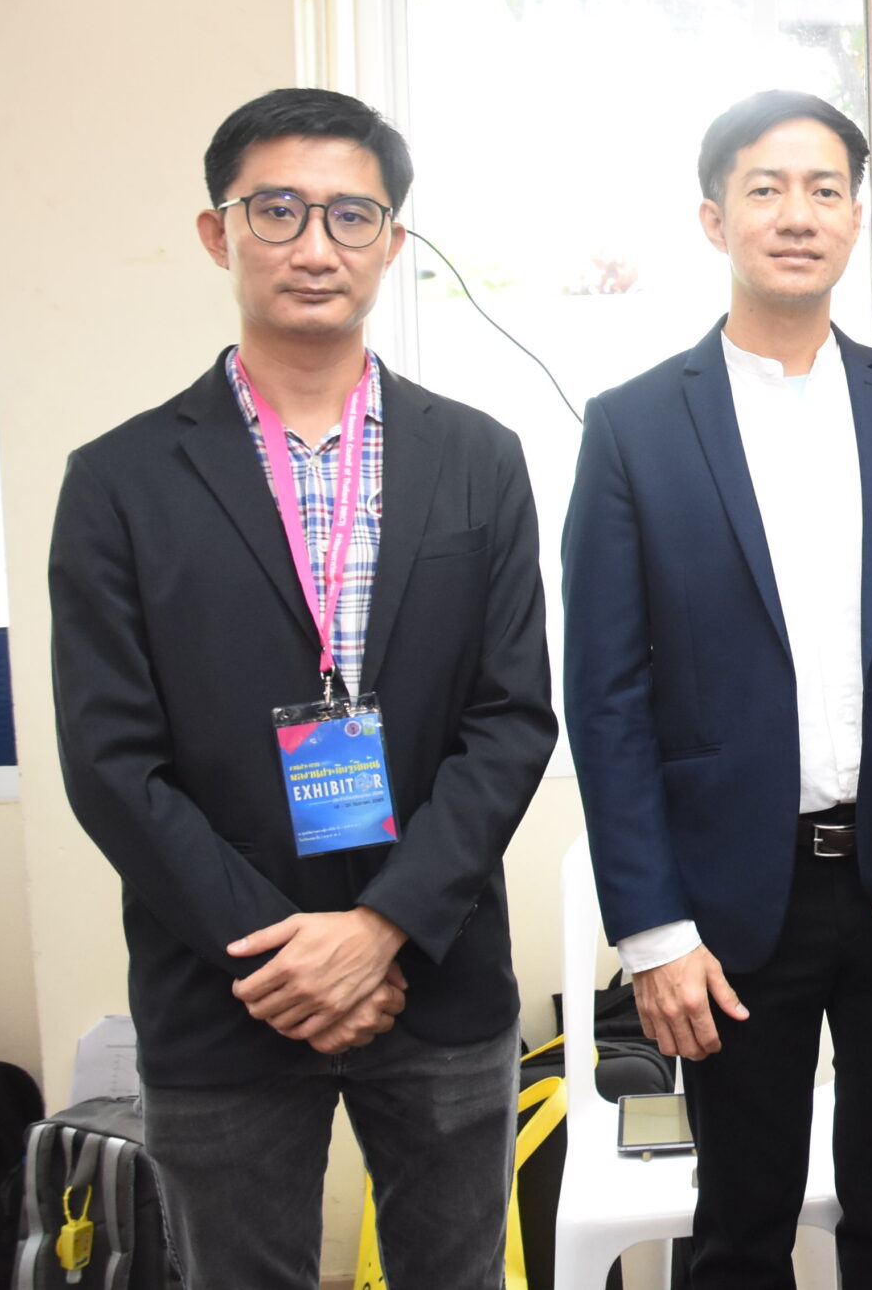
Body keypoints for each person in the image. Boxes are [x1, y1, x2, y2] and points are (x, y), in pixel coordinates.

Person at [49, 89, 558, 1289]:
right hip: (226, 986)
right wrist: (282, 954)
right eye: (276, 210)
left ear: (391, 239)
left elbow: (511, 719)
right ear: (217, 232)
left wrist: (381, 930)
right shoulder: (119, 479)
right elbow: (110, 760)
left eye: (350, 214)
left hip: (436, 973)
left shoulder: (479, 457)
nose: (315, 244)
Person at [563, 89, 872, 1290]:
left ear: (854, 218)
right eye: (766, 189)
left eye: (825, 190)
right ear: (713, 218)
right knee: (737, 1231)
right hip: (729, 901)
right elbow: (605, 698)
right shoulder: (633, 428)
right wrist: (652, 931)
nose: (797, 214)